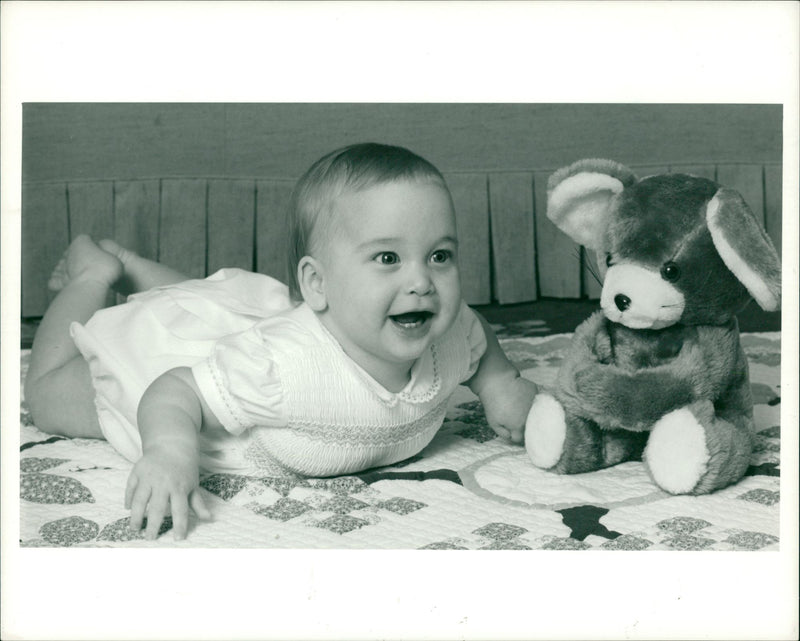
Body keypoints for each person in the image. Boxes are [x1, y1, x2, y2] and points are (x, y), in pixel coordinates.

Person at [25, 142, 538, 541]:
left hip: (250, 342)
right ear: (318, 284)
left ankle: (137, 267)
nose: (423, 281)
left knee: (215, 305)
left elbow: (476, 334)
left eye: (440, 256)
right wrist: (168, 450)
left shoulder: (449, 334)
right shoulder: (283, 366)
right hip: (171, 386)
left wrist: (500, 383)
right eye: (388, 258)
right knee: (49, 396)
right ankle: (93, 274)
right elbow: (175, 387)